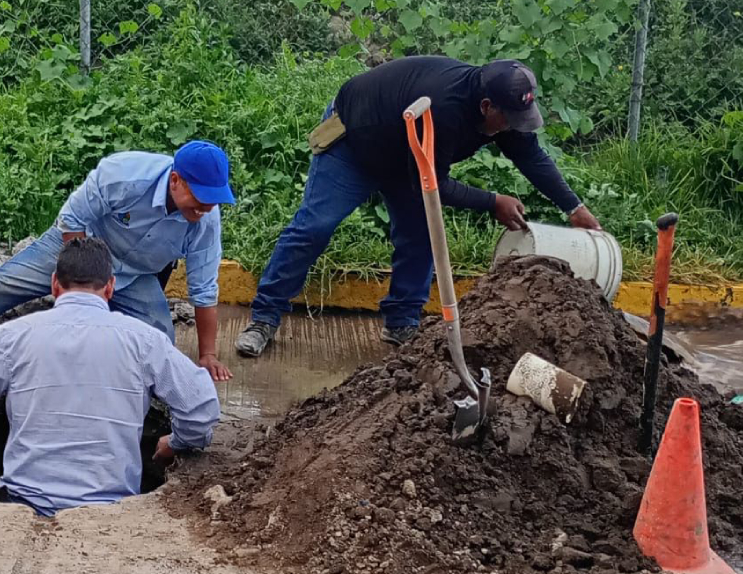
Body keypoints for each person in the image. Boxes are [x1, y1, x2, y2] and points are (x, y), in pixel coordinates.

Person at [234, 56, 603, 357]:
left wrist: (574, 207)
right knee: (315, 226)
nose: (515, 128)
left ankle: (401, 323)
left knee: (422, 234)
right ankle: (264, 318)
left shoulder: (500, 111)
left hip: (408, 152)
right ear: (487, 106)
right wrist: (492, 202)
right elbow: (432, 184)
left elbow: (532, 157)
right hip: (356, 142)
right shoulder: (444, 108)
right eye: (510, 120)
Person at [0, 140, 236, 382]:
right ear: (175, 181)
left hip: (135, 276)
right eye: (200, 197)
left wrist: (207, 355)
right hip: (78, 246)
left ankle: (99, 376)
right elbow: (73, 222)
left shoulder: (205, 220)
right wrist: (84, 283)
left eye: (214, 200)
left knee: (159, 343)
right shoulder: (123, 176)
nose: (206, 208)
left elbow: (204, 289)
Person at [0, 237, 221, 515]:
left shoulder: (14, 337)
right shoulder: (144, 340)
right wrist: (177, 442)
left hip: (26, 504)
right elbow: (201, 406)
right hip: (110, 514)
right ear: (111, 287)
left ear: (54, 285)